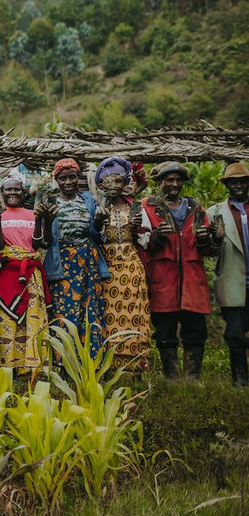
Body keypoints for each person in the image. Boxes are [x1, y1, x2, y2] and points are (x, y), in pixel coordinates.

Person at [140, 162, 215, 378]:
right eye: (169, 180)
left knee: (196, 332)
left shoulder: (196, 208)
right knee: (165, 332)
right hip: (163, 279)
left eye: (178, 180)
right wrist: (158, 236)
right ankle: (171, 378)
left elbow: (207, 248)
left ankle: (192, 379)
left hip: (193, 279)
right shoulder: (147, 206)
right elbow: (142, 242)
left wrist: (205, 239)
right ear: (159, 183)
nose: (174, 184)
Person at [42, 158, 110, 358]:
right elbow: (47, 241)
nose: (68, 182)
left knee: (90, 310)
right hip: (62, 261)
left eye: (72, 177)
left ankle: (90, 360)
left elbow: (96, 236)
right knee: (63, 311)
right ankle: (63, 361)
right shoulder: (51, 202)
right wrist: (46, 219)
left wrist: (97, 223)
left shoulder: (88, 200)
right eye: (63, 178)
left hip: (87, 260)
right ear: (57, 180)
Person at [93, 157, 153, 371]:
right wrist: (98, 222)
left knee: (134, 314)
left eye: (118, 181)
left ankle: (135, 366)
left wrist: (138, 229)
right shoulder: (97, 208)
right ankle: (109, 366)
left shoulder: (135, 207)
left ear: (124, 183)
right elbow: (93, 238)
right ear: (101, 185)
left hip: (131, 265)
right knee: (108, 316)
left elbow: (146, 241)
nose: (114, 186)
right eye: (108, 182)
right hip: (107, 269)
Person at [0, 176, 52, 373]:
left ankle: (30, 365)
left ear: (24, 192)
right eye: (8, 190)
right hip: (7, 272)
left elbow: (37, 245)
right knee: (5, 317)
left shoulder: (32, 213)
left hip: (30, 273)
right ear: (1, 193)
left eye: (17, 189)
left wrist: (41, 220)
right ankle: (8, 366)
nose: (13, 193)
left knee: (31, 318)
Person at [210, 162, 249, 386]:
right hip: (233, 280)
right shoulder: (215, 212)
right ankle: (240, 381)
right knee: (234, 334)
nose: (238, 185)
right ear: (227, 185)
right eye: (233, 181)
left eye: (242, 180)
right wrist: (214, 238)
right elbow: (207, 249)